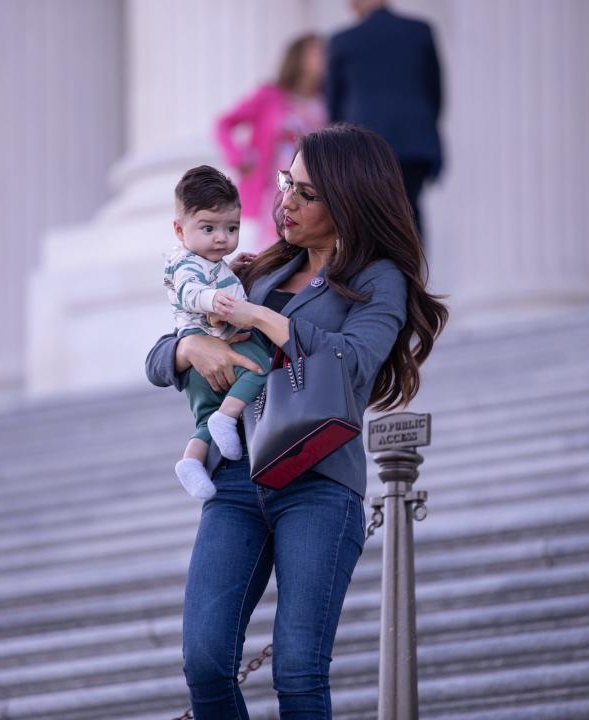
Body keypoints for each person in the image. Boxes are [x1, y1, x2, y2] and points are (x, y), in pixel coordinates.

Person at [146, 124, 448, 718]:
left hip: (316, 482)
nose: (285, 201)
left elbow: (352, 366)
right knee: (205, 661)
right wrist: (190, 352)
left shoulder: (375, 278)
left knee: (298, 669)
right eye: (287, 182)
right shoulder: (256, 269)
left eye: (306, 193)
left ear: (348, 200)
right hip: (235, 481)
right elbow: (163, 353)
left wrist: (262, 318)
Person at [163, 166, 272, 500]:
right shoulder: (185, 264)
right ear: (180, 230)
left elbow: (212, 279)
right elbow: (189, 292)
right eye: (208, 228)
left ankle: (191, 461)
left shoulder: (212, 263)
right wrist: (216, 300)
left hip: (204, 366)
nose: (221, 238)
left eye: (231, 228)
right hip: (212, 350)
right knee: (260, 366)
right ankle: (228, 418)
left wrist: (233, 272)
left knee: (204, 421)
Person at [326, 0, 443, 239]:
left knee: (368, 217)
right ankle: (411, 275)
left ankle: (378, 276)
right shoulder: (419, 30)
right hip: (413, 142)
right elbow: (435, 92)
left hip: (363, 143)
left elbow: (334, 104)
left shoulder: (343, 40)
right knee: (408, 211)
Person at [215, 33, 327, 253]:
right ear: (299, 58)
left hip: (314, 185)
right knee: (272, 246)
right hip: (274, 187)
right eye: (317, 52)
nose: (326, 57)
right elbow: (223, 123)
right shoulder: (270, 96)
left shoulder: (328, 100)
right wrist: (239, 158)